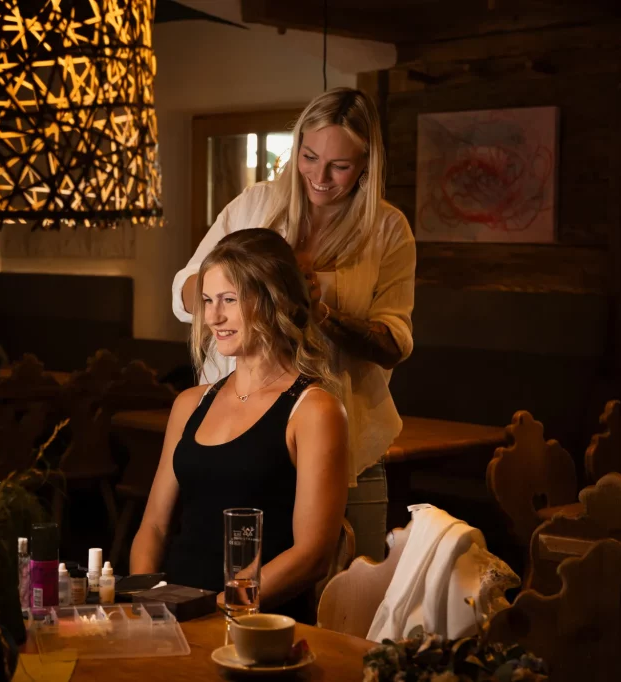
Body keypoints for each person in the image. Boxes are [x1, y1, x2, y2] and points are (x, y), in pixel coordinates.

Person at [170, 87, 415, 561]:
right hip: (237, 442)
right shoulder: (255, 204)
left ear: (367, 164)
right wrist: (243, 284)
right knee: (231, 577)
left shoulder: (387, 230)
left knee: (351, 602)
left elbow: (394, 343)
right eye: (308, 156)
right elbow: (184, 292)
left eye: (340, 166)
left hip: (350, 446)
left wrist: (322, 311)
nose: (319, 177)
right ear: (297, 144)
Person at [130, 229, 348, 623]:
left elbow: (312, 555)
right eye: (209, 301)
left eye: (229, 300)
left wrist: (218, 610)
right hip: (174, 615)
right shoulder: (190, 403)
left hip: (258, 625)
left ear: (273, 301)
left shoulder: (315, 410)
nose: (213, 317)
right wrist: (147, 601)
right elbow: (154, 527)